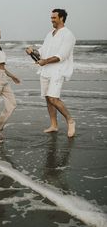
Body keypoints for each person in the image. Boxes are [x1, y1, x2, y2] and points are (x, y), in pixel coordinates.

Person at [26, 9, 76, 138]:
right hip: (45, 70)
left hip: (58, 71)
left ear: (62, 18)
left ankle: (70, 120)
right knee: (48, 98)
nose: (52, 20)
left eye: (54, 18)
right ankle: (54, 125)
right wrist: (33, 52)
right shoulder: (50, 34)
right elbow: (43, 51)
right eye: (51, 18)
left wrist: (45, 61)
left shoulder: (68, 35)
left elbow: (62, 56)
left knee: (54, 98)